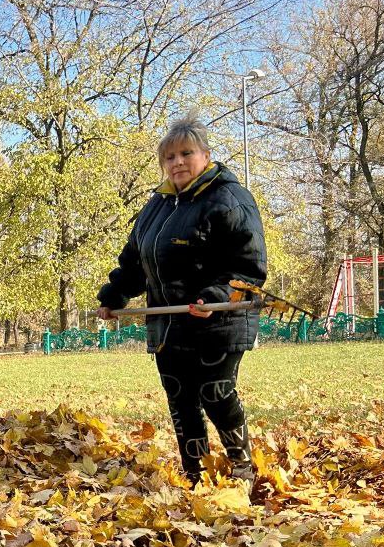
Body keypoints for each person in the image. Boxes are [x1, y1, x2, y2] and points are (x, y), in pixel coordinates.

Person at [97, 116, 266, 485]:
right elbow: (134, 261)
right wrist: (114, 297)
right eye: (169, 157)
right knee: (180, 398)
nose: (177, 162)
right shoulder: (156, 207)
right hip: (168, 324)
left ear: (205, 155)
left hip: (218, 320)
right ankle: (196, 472)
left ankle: (241, 468)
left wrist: (215, 297)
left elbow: (249, 267)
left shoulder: (229, 199)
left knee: (215, 393)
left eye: (186, 153)